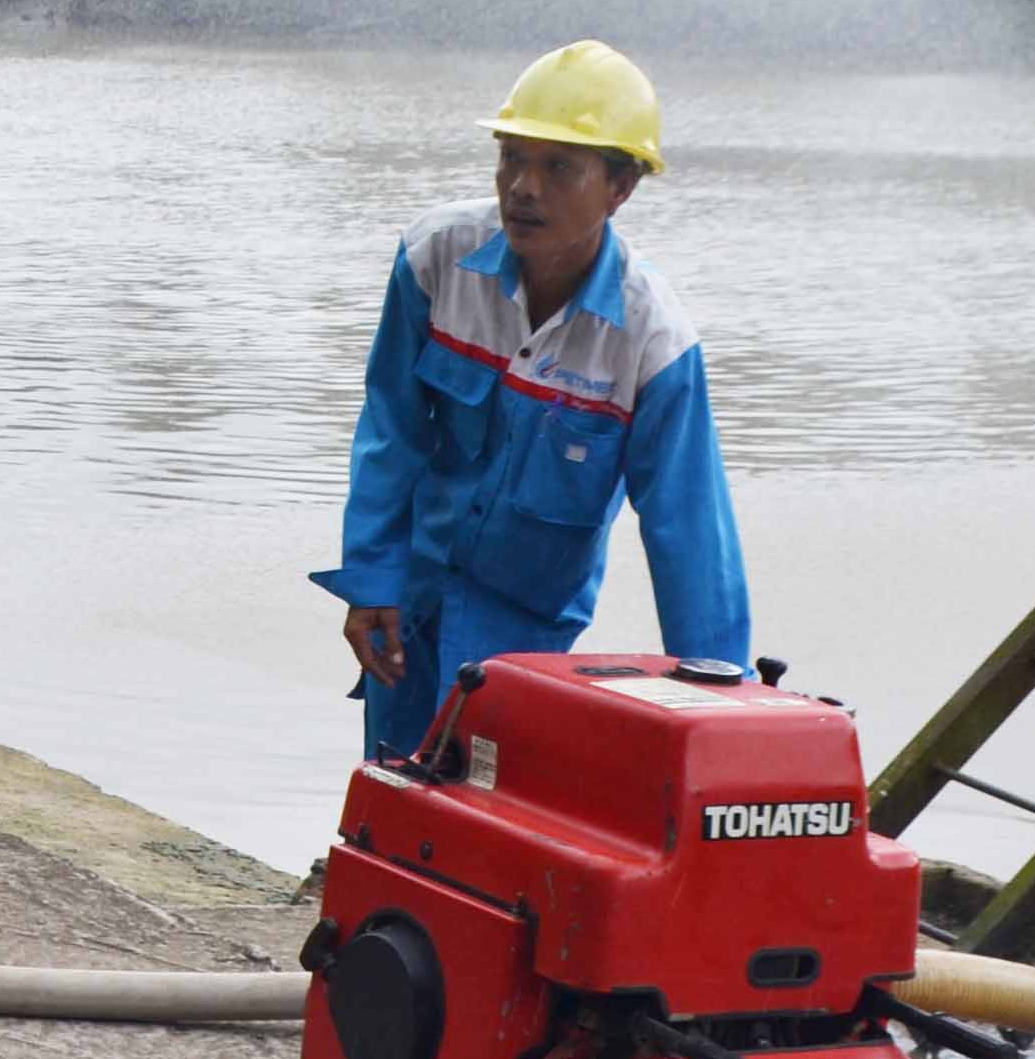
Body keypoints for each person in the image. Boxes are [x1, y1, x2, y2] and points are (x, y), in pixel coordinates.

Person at [315, 39, 750, 758]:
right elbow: (392, 430)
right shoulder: (435, 260)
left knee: (490, 795)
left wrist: (720, 699)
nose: (523, 187)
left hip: (526, 632)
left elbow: (687, 527)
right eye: (512, 158)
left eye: (559, 167)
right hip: (408, 605)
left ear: (620, 188)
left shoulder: (652, 342)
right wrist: (372, 579)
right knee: (392, 788)